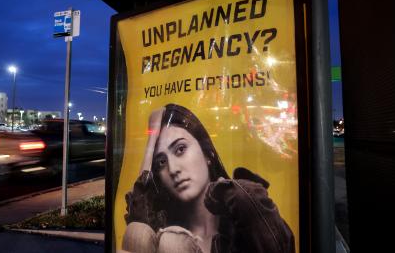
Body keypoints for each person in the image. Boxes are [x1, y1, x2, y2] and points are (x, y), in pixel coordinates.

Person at [121, 104, 295, 253]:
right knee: (140, 232)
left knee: (171, 243)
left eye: (180, 149)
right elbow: (138, 212)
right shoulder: (165, 227)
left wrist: (223, 193)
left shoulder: (240, 208)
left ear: (207, 154)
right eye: (161, 162)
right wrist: (152, 138)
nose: (173, 169)